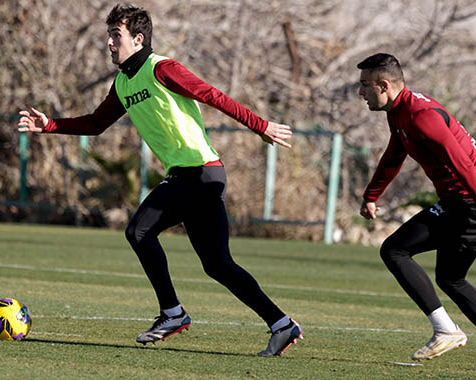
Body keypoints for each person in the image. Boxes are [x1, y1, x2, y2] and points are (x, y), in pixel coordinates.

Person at [17, 4, 302, 356]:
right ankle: (282, 324)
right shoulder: (123, 83)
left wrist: (261, 125)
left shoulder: (161, 68)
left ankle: (173, 312)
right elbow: (95, 124)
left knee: (138, 231)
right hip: (195, 176)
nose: (108, 42)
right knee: (217, 265)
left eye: (115, 35)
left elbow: (211, 95)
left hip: (198, 172)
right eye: (108, 35)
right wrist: (49, 125)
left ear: (138, 39)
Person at [356, 53, 476, 372]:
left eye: (365, 85)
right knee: (451, 279)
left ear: (384, 85)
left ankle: (447, 330)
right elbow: (396, 152)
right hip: (469, 202)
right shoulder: (400, 112)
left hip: (473, 203)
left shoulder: (423, 115)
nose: (360, 93)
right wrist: (372, 194)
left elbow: (464, 165)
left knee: (395, 250)